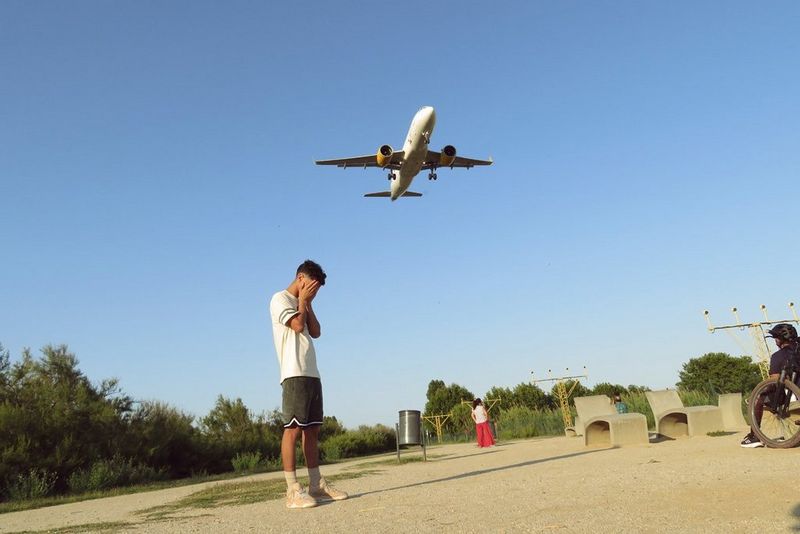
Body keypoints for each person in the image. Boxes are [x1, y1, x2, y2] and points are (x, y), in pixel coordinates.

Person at [270, 260, 348, 508]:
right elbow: (297, 325)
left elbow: (315, 331)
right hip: (293, 373)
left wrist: (308, 303)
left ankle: (316, 485)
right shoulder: (280, 299)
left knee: (312, 429)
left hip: (312, 373)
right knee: (292, 429)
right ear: (301, 278)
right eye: (312, 286)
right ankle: (293, 489)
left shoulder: (304, 303)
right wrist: (302, 301)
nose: (314, 292)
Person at [741, 323, 800, 448]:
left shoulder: (778, 356)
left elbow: (775, 381)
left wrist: (758, 393)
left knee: (758, 397)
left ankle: (755, 437)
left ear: (779, 340)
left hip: (792, 396)